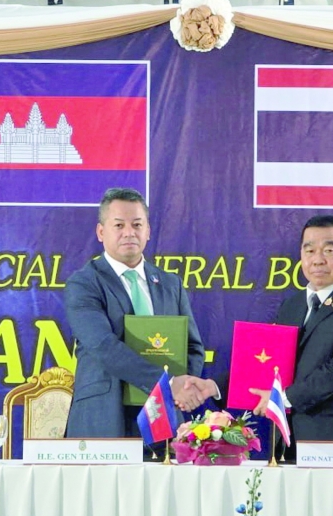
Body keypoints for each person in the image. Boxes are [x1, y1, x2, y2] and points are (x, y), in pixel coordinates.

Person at [64, 188, 218, 439]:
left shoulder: (170, 284)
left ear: (148, 231)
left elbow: (192, 347)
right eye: (119, 225)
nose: (129, 232)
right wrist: (168, 384)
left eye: (137, 224)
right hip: (104, 418)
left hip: (165, 419)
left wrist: (184, 388)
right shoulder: (83, 283)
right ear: (101, 232)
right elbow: (104, 346)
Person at [251, 215, 333, 444]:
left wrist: (284, 398)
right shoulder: (292, 306)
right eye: (310, 250)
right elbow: (270, 362)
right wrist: (213, 387)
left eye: (329, 250)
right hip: (291, 435)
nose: (318, 259)